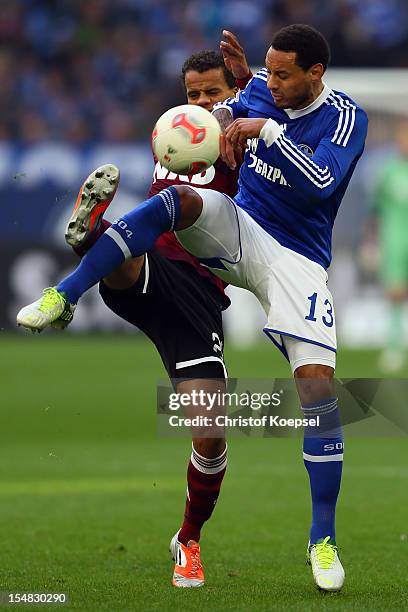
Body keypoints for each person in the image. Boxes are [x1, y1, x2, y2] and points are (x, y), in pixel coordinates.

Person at [17, 24, 368, 592]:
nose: (268, 83)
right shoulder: (243, 100)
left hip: (296, 259)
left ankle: (322, 541)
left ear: (315, 74)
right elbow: (232, 117)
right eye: (265, 73)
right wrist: (228, 118)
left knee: (318, 391)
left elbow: (322, 182)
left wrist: (264, 128)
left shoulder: (345, 116)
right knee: (173, 201)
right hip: (240, 230)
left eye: (281, 75)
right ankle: (65, 292)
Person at [19, 36, 252, 589]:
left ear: (234, 89)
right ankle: (86, 253)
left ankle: (187, 539)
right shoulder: (176, 134)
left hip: (198, 295)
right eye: (191, 93)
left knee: (211, 433)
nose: (198, 103)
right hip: (153, 266)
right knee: (131, 254)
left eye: (211, 92)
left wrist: (245, 122)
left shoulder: (250, 137)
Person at [369, 119, 408, 372]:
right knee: (395, 293)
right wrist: (371, 239)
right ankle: (394, 347)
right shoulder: (388, 171)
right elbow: (375, 210)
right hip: (395, 240)